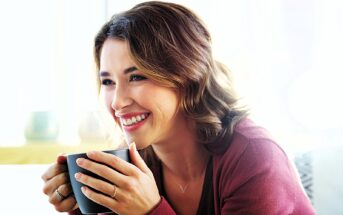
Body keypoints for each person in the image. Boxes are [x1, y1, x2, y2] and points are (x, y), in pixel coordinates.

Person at [42, 1, 316, 214]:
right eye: (108, 82)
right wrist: (82, 204)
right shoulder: (136, 162)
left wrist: (150, 211)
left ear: (186, 77)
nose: (117, 102)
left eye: (136, 77)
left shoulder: (254, 156)